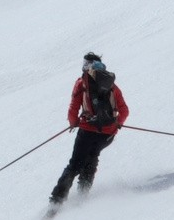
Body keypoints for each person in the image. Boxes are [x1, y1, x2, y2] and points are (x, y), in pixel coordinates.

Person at [49, 52, 128, 205]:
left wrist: (74, 122)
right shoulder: (111, 84)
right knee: (92, 159)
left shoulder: (82, 82)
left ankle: (56, 202)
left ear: (87, 65)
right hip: (107, 134)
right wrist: (117, 123)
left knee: (74, 165)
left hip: (87, 131)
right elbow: (124, 111)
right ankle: (82, 196)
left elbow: (73, 108)